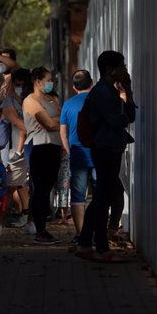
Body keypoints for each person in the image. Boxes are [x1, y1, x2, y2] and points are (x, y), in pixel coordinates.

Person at [75, 51, 135, 263]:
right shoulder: (102, 92)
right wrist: (124, 102)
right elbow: (119, 121)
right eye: (122, 66)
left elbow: (130, 117)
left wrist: (127, 90)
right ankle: (101, 247)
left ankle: (85, 244)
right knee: (103, 198)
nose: (125, 70)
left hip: (111, 147)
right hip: (105, 149)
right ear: (111, 70)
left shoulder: (110, 90)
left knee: (102, 196)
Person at [23, 67, 63, 245]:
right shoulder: (30, 101)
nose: (50, 82)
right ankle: (40, 229)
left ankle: (44, 228)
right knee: (39, 189)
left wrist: (56, 121)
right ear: (37, 82)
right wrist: (56, 121)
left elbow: (64, 119)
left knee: (47, 189)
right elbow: (49, 124)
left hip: (54, 146)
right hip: (39, 146)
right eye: (47, 79)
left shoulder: (51, 98)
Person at [59, 70, 96, 244]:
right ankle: (97, 231)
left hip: (78, 155)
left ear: (74, 87)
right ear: (92, 83)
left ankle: (81, 234)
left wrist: (70, 151)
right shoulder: (98, 101)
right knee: (99, 195)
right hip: (98, 155)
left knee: (78, 196)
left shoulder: (67, 104)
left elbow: (63, 132)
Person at [0, 68, 30, 229]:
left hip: (30, 148)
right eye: (18, 84)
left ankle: (23, 216)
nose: (21, 87)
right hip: (15, 151)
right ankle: (5, 219)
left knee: (19, 185)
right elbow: (18, 123)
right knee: (14, 185)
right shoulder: (9, 101)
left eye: (23, 84)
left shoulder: (30, 99)